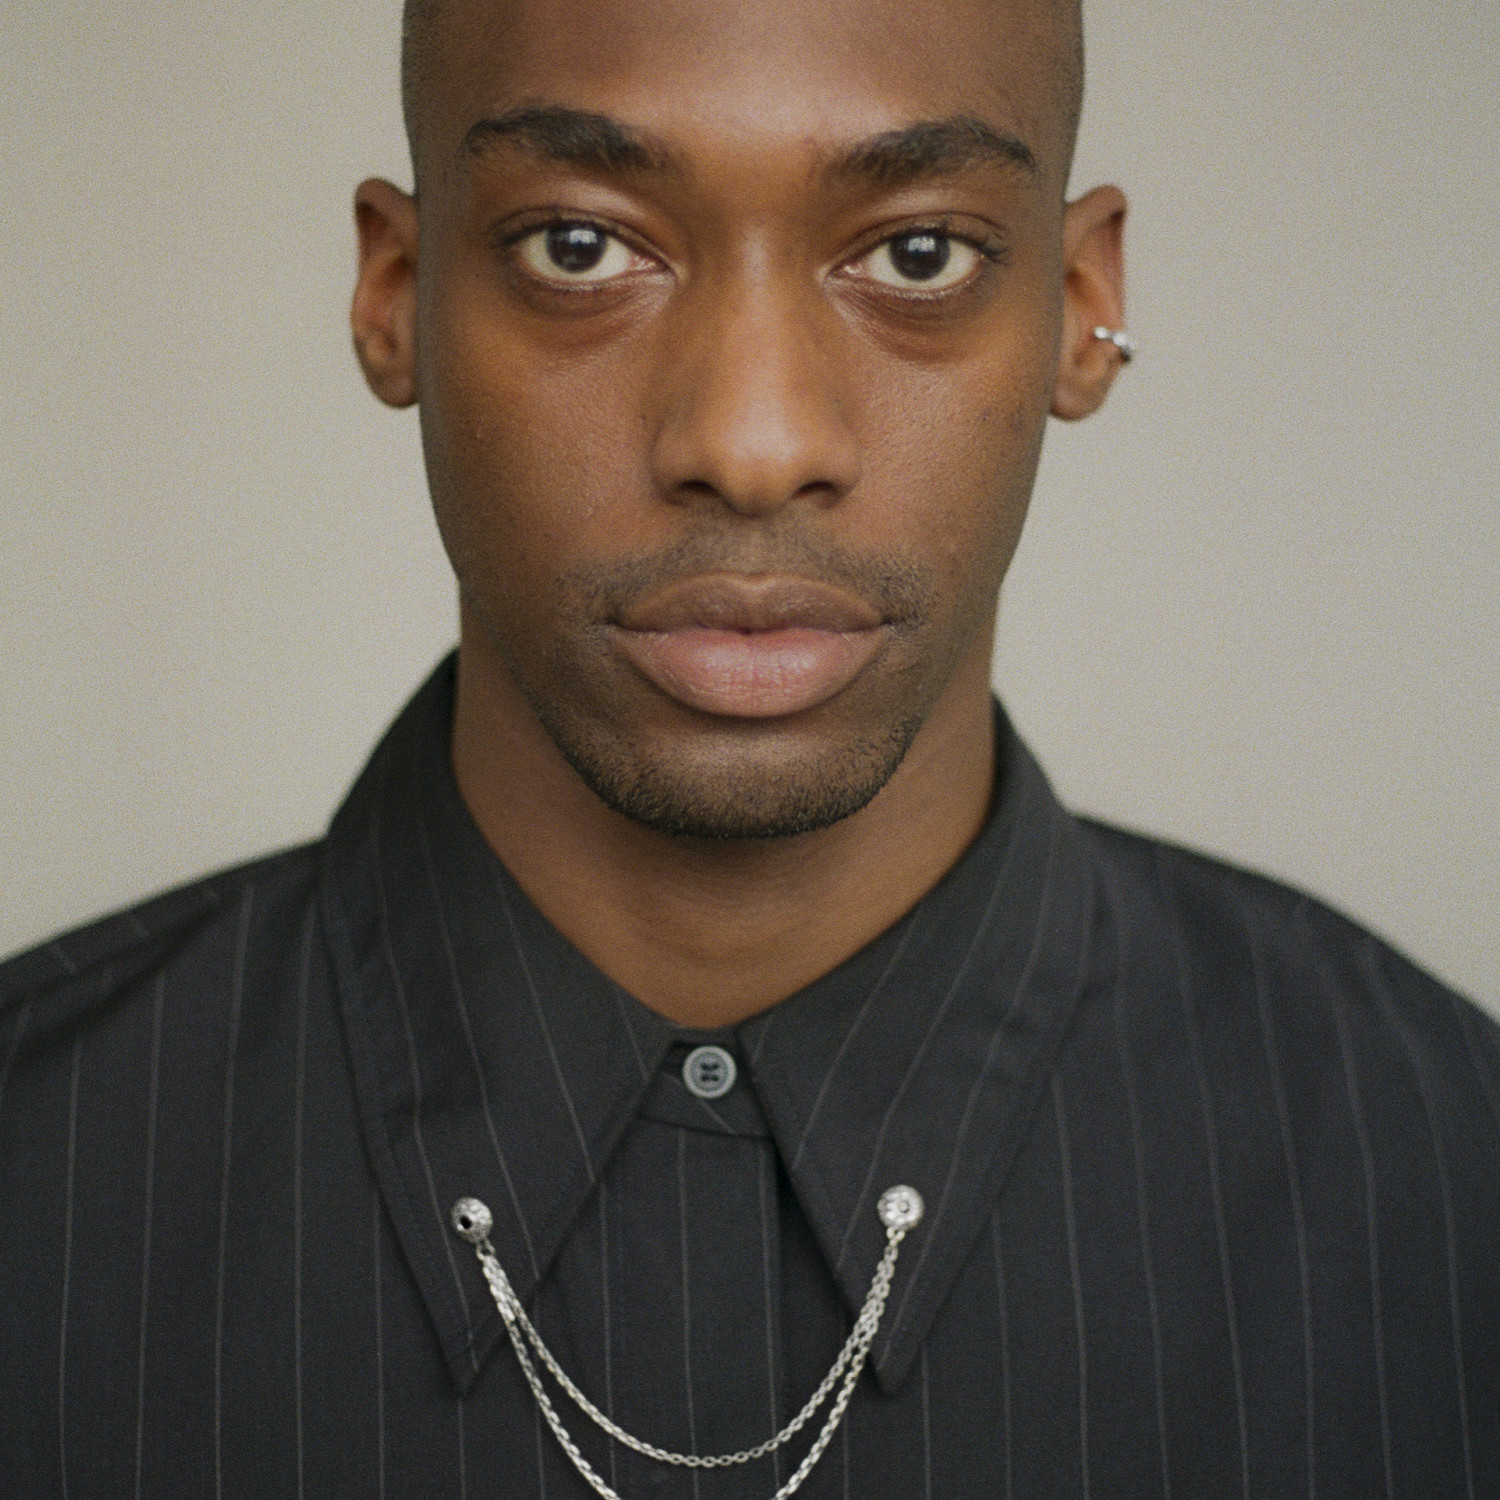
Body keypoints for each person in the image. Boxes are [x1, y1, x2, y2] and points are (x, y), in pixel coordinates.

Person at [1, 0, 1496, 1494]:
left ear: (1079, 305)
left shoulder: (1446, 1179)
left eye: (919, 253)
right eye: (578, 246)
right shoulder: (39, 1178)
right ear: (394, 296)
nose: (756, 439)